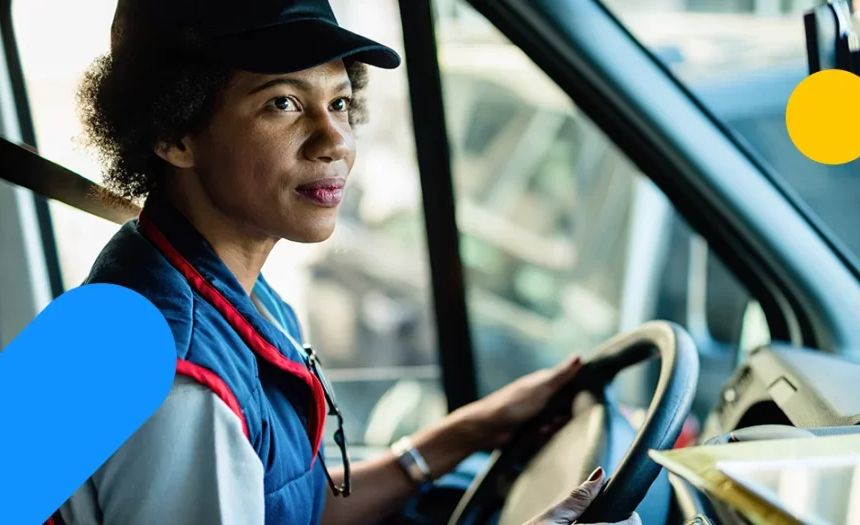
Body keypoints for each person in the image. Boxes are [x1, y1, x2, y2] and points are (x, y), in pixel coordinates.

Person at [54, 0, 642, 524]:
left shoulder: (224, 291)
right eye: (283, 103)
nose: (334, 138)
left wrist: (469, 432)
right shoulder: (182, 385)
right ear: (174, 134)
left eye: (339, 101)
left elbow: (294, 505)